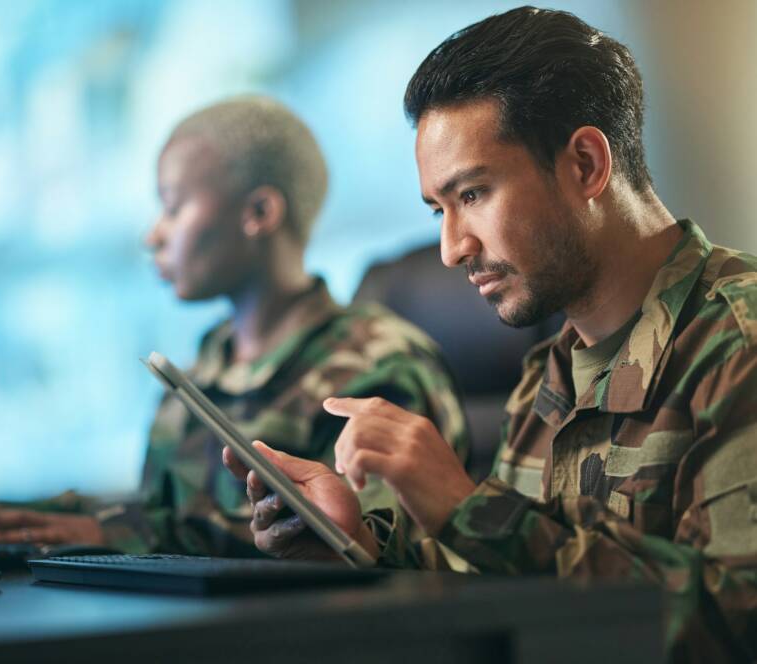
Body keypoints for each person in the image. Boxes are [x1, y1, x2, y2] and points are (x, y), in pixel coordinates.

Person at [222, 9, 757, 661]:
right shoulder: (552, 370)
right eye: (438, 210)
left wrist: (468, 510)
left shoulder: (739, 338)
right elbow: (512, 579)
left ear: (587, 164)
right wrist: (361, 543)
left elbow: (735, 621)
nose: (451, 249)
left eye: (472, 194)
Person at [0, 96, 468, 559]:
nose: (153, 234)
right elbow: (161, 511)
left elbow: (369, 547)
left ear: (259, 212)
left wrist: (125, 534)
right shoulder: (209, 361)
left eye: (174, 207)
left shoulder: (378, 362)